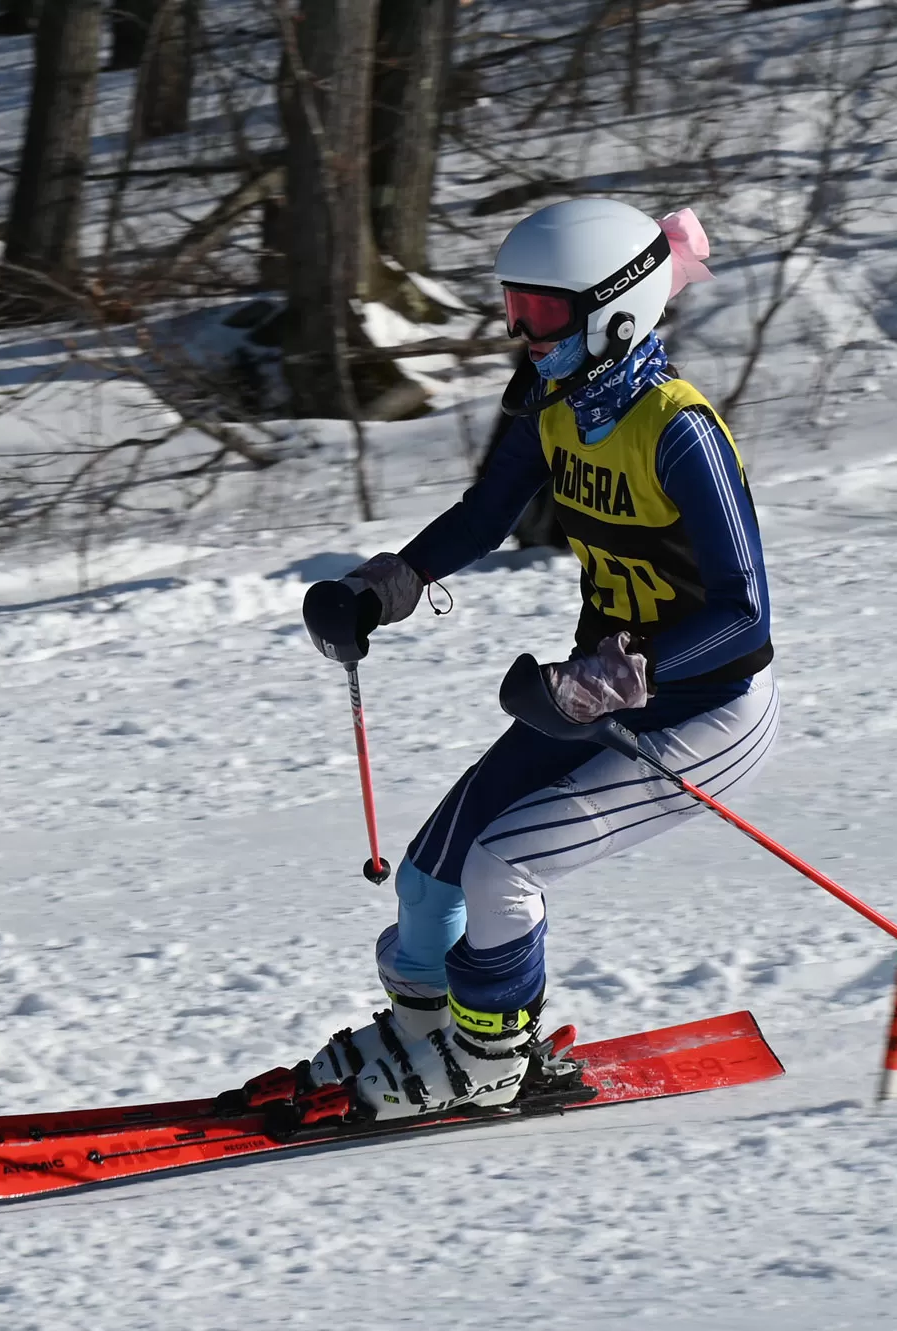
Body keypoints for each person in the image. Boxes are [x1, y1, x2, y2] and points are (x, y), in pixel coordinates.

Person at [308, 198, 780, 1120]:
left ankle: (490, 1058)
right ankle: (419, 1030)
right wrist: (381, 588)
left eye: (544, 313)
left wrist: (606, 676)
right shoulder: (557, 404)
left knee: (503, 867)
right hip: (598, 693)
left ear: (617, 312)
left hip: (708, 712)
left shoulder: (678, 430)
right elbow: (485, 515)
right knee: (430, 872)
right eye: (515, 308)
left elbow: (744, 617)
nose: (525, 334)